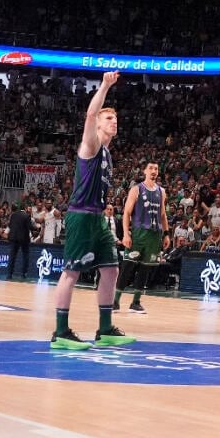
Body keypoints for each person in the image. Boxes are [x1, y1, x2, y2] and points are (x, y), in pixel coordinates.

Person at [49, 73, 135, 350]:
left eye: (115, 119)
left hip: (98, 217)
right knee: (71, 272)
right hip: (81, 216)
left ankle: (105, 327)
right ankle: (60, 332)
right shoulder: (91, 145)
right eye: (108, 118)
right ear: (98, 123)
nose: (114, 121)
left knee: (111, 269)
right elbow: (89, 114)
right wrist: (106, 86)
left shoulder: (108, 154)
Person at [117, 162, 170, 315]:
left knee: (145, 269)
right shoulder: (136, 189)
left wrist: (166, 234)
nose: (154, 171)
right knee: (127, 267)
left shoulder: (162, 191)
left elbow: (163, 215)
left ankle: (136, 302)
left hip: (155, 235)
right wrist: (126, 234)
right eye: (151, 168)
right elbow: (126, 213)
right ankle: (115, 301)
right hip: (139, 233)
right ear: (145, 171)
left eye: (156, 169)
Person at [7, 201, 34, 280]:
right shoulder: (26, 216)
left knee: (12, 257)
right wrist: (37, 228)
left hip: (13, 238)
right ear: (25, 208)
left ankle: (9, 275)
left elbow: (11, 225)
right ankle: (23, 274)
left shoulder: (13, 215)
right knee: (25, 256)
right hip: (23, 239)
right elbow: (29, 227)